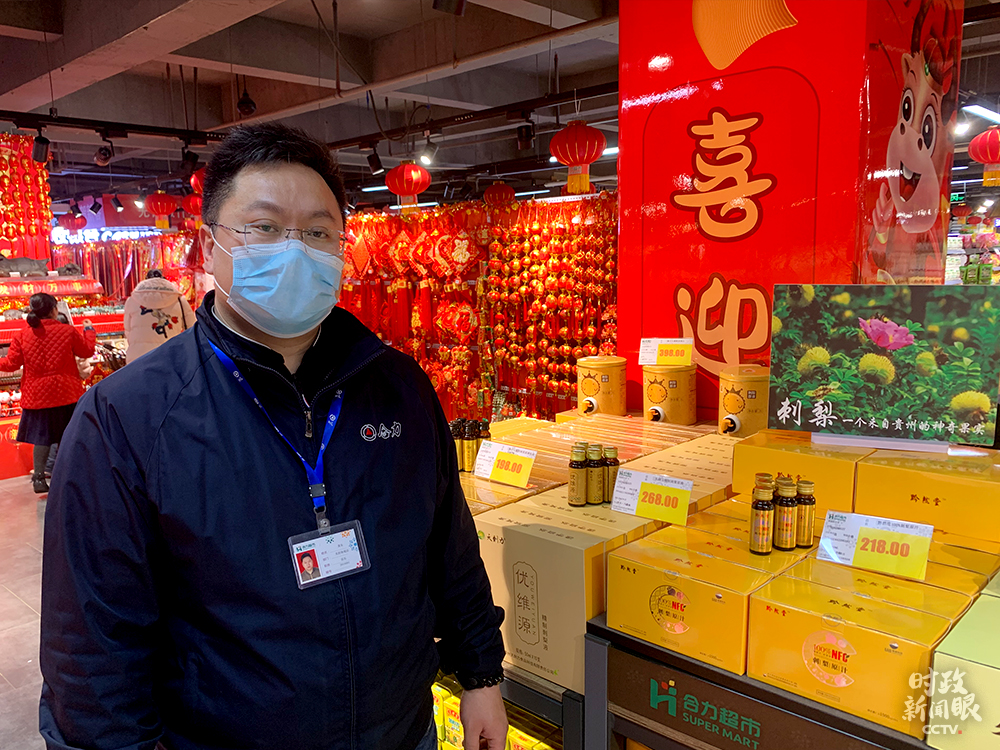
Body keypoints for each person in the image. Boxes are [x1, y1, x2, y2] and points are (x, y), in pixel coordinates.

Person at [40, 123, 508, 750]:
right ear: (209, 245)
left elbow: (450, 546)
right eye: (263, 227)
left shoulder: (397, 386)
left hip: (403, 732)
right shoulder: (126, 417)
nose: (295, 250)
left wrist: (481, 673)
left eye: (318, 232)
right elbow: (92, 646)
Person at [0, 293, 95, 493]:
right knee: (66, 436)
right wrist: (89, 330)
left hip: (37, 396)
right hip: (66, 393)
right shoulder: (67, 331)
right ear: (53, 310)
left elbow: (11, 364)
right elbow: (87, 351)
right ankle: (67, 476)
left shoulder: (22, 335)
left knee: (42, 439)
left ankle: (38, 478)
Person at [123, 268, 195, 363]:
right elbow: (192, 330)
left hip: (138, 359)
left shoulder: (132, 300)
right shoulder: (179, 300)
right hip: (170, 357)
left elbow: (128, 331)